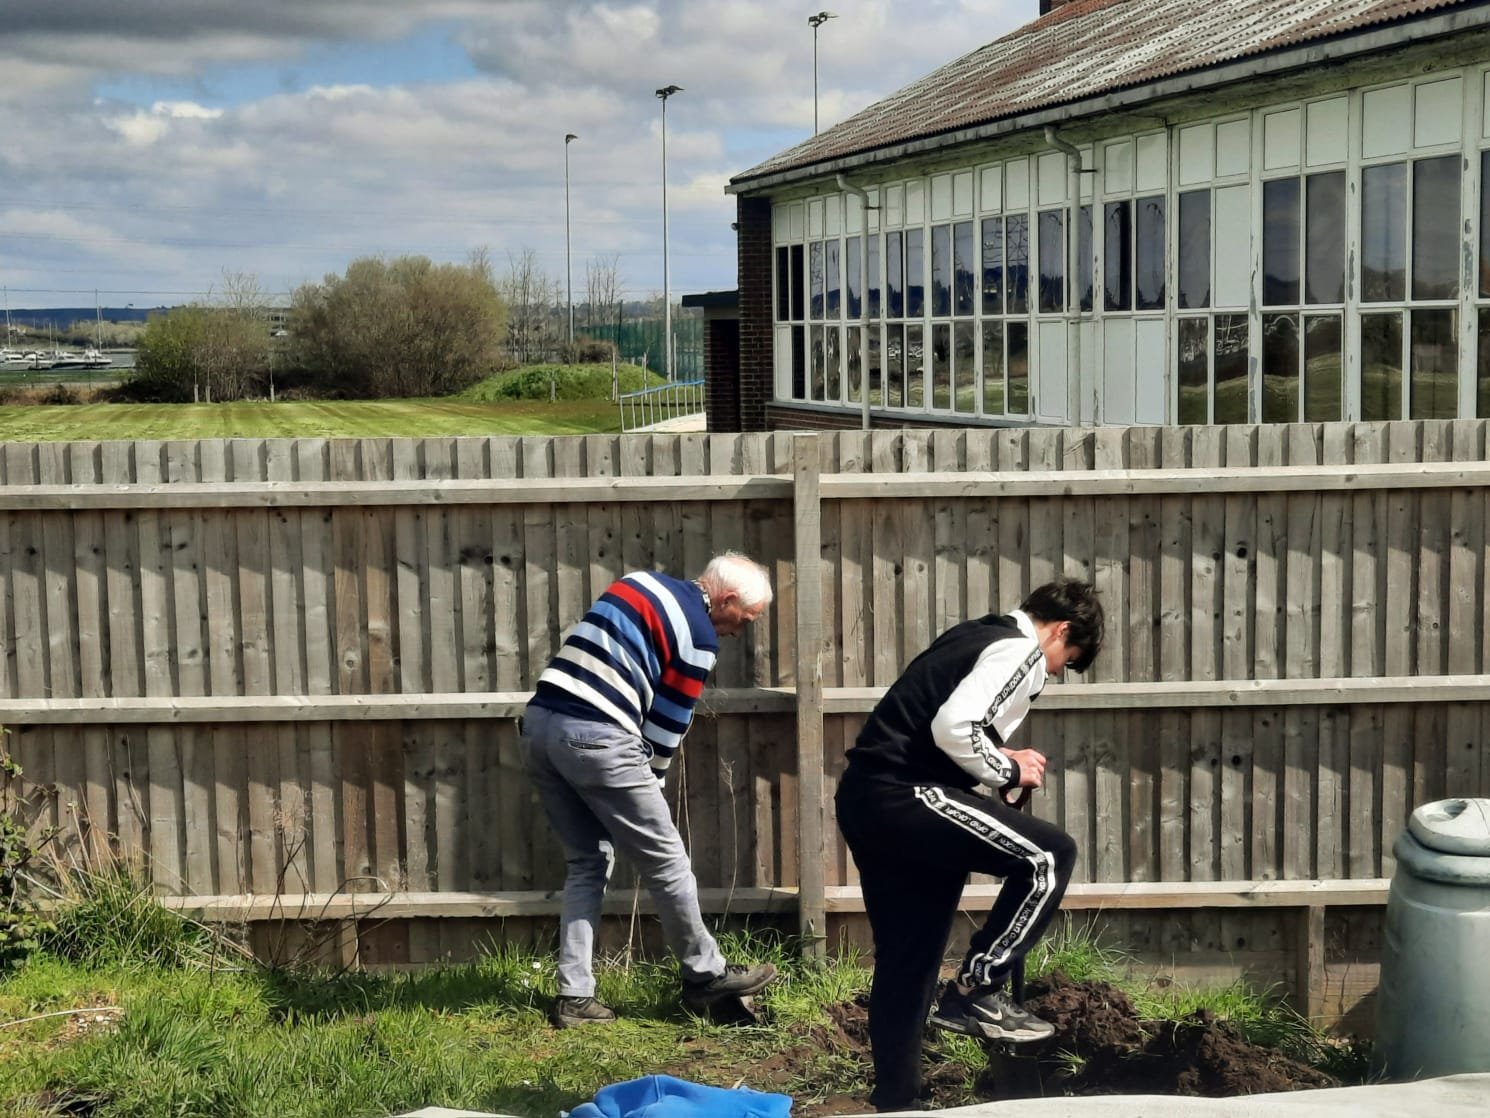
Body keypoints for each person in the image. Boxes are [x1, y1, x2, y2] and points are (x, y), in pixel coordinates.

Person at [834, 577, 1104, 1113]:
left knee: (909, 959)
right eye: (1067, 660)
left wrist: (994, 773)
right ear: (1062, 631)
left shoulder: (975, 635)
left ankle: (896, 1100)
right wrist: (1010, 764)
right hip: (907, 793)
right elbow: (955, 727)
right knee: (1050, 855)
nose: (1055, 671)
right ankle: (978, 992)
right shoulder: (1019, 650)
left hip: (867, 798)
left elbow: (952, 726)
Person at [522, 551, 779, 1028]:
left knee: (587, 861)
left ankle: (574, 997)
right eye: (741, 620)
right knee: (669, 863)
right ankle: (706, 976)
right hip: (597, 736)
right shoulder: (698, 637)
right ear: (724, 599)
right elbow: (664, 729)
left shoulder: (636, 584)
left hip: (539, 728)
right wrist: (650, 785)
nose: (736, 631)